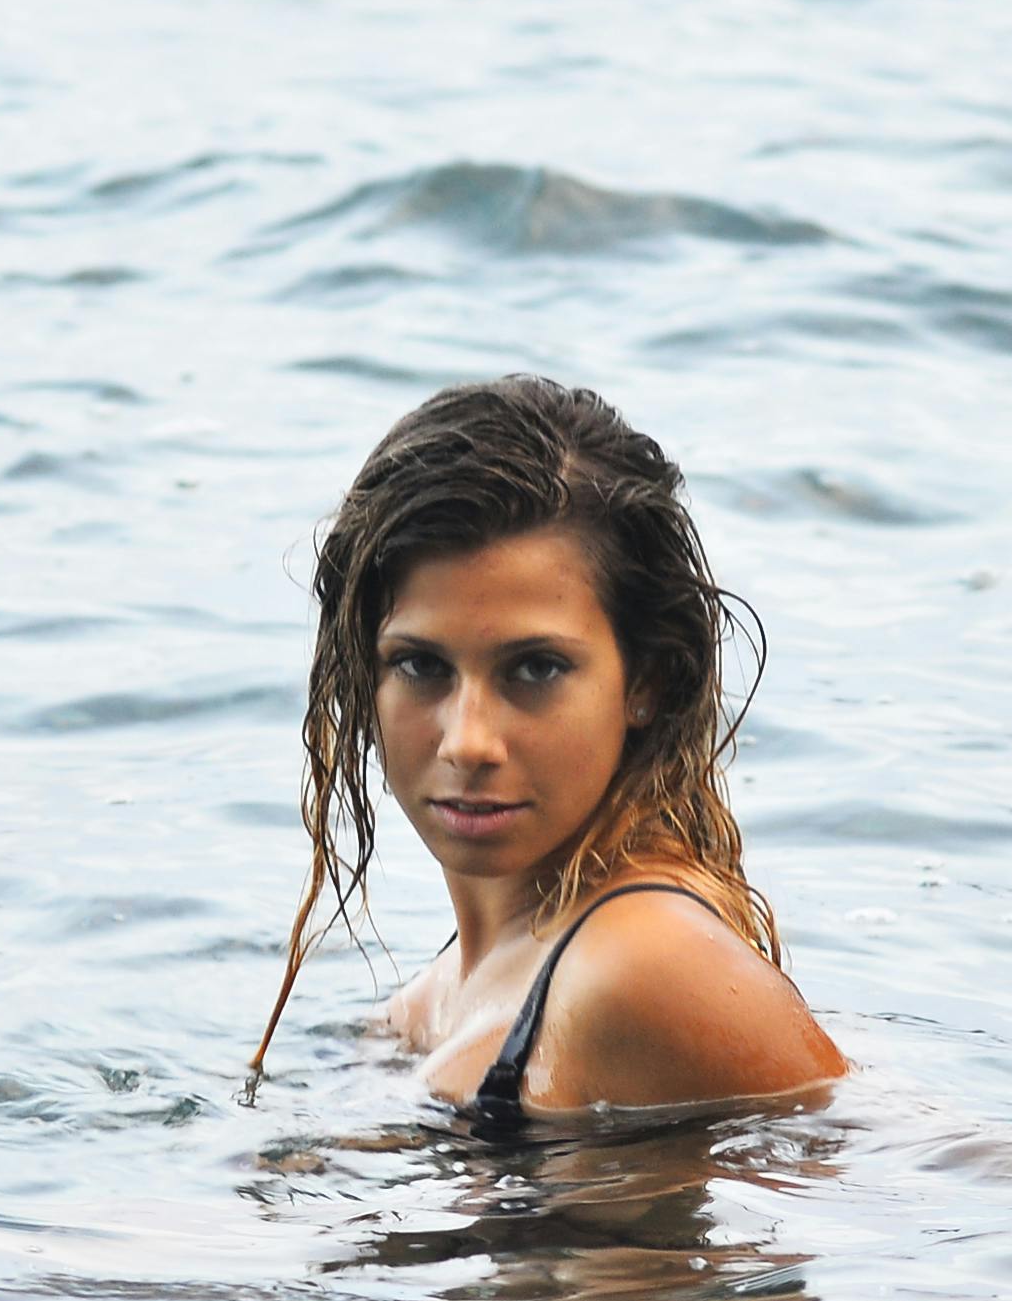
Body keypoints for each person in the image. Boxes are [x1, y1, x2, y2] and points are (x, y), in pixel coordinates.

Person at [248, 377, 844, 1140]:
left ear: (647, 682)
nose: (467, 741)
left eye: (534, 669)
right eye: (420, 666)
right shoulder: (433, 1002)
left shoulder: (639, 965)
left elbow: (919, 1172)